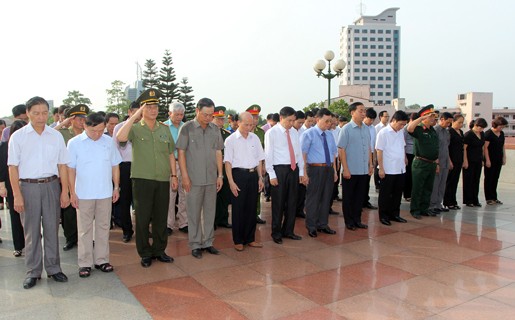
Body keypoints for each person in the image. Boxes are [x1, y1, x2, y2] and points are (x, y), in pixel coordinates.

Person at [8, 96, 70, 289]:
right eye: (36, 113)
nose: (41, 117)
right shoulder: (18, 137)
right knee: (31, 231)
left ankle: (54, 268)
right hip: (28, 187)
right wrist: (17, 195)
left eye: (44, 112)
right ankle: (33, 271)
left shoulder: (55, 135)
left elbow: (62, 166)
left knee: (52, 228)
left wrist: (65, 191)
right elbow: (12, 167)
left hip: (51, 185)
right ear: (28, 114)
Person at [116, 89, 178, 268]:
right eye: (148, 107)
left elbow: (170, 154)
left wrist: (174, 175)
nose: (153, 110)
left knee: (160, 217)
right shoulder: (134, 128)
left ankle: (159, 250)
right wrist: (135, 115)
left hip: (162, 179)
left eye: (155, 107)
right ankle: (144, 252)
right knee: (142, 217)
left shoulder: (164, 130)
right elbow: (120, 137)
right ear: (142, 109)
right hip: (142, 179)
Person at [67, 113, 121, 278]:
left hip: (104, 192)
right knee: (84, 230)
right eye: (94, 131)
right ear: (85, 126)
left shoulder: (109, 142)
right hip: (83, 193)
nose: (97, 134)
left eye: (100, 130)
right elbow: (71, 170)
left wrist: (116, 187)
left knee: (103, 227)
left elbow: (115, 166)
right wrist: (72, 192)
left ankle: (102, 260)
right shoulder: (74, 143)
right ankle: (85, 263)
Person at [176, 98, 223, 259]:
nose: (208, 118)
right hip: (193, 179)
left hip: (211, 178)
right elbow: (181, 153)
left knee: (210, 212)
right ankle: (195, 244)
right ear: (197, 111)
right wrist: (185, 177)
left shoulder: (215, 129)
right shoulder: (187, 128)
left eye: (211, 115)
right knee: (193, 213)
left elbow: (218, 152)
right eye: (205, 114)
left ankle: (208, 242)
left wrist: (220, 175)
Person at [224, 112, 265, 251]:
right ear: (238, 123)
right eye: (246, 124)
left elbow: (259, 158)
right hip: (238, 175)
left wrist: (260, 177)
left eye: (251, 124)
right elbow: (228, 162)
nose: (249, 127)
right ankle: (238, 240)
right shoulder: (230, 140)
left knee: (251, 208)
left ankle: (250, 238)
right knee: (238, 209)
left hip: (253, 175)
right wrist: (231, 181)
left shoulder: (255, 138)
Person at [265, 106, 305, 244]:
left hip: (293, 169)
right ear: (281, 118)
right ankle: (276, 232)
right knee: (278, 203)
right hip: (279, 170)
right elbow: (268, 155)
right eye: (289, 120)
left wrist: (301, 171)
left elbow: (298, 152)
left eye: (293, 120)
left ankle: (288, 230)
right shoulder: (272, 133)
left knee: (292, 202)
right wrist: (271, 174)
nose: (291, 123)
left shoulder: (294, 132)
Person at [55, 104, 90, 251]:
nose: (82, 121)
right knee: (69, 210)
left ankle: (87, 237)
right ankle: (71, 238)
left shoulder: (89, 133)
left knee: (86, 209)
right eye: (79, 118)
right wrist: (63, 123)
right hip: (67, 176)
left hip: (85, 175)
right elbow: (47, 133)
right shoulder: (62, 133)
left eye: (84, 118)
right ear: (72, 119)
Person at [301, 108, 338, 238]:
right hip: (314, 169)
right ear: (318, 119)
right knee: (313, 198)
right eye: (326, 121)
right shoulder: (308, 134)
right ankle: (311, 226)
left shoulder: (329, 134)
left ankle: (323, 224)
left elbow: (333, 153)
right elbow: (303, 154)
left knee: (326, 197)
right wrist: (304, 173)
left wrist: (334, 171)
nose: (329, 124)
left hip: (328, 169)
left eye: (330, 121)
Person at [338, 102, 372, 230]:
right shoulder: (346, 129)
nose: (364, 113)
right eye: (361, 111)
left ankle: (357, 220)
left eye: (364, 111)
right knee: (349, 198)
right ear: (352, 113)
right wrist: (345, 169)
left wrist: (371, 165)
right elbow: (341, 150)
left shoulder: (366, 128)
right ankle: (349, 221)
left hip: (363, 169)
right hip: (350, 170)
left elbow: (368, 148)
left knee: (360, 197)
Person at [376, 110, 409, 226]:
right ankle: (383, 216)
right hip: (388, 168)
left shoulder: (400, 132)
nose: (402, 127)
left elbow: (402, 146)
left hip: (400, 168)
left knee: (397, 193)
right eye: (401, 124)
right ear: (394, 120)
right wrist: (381, 168)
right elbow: (379, 150)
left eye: (404, 125)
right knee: (385, 194)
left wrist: (404, 157)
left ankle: (395, 214)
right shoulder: (383, 133)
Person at [112, 102, 139, 243]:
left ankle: (143, 230)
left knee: (142, 201)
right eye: (136, 112)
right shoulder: (119, 127)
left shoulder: (145, 127)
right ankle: (127, 231)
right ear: (130, 112)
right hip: (125, 166)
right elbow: (114, 149)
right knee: (125, 201)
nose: (139, 115)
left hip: (142, 167)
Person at [0, 120, 27, 257]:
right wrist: (2, 185)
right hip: (13, 185)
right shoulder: (5, 146)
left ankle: (30, 242)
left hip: (29, 184)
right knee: (15, 215)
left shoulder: (31, 144)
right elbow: (3, 168)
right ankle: (18, 246)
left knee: (30, 216)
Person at [406, 105, 439, 219]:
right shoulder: (419, 129)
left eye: (433, 117)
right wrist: (420, 119)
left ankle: (424, 208)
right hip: (421, 163)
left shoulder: (432, 130)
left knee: (428, 188)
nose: (433, 119)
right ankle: (415, 210)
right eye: (430, 117)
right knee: (418, 188)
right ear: (424, 117)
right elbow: (409, 129)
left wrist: (437, 163)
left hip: (432, 163)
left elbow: (436, 147)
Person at [164, 102, 188, 234]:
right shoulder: (163, 127)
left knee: (184, 193)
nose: (179, 117)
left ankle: (184, 222)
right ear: (169, 113)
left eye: (181, 114)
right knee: (170, 194)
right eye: (177, 114)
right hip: (169, 164)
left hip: (184, 163)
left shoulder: (187, 127)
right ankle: (169, 224)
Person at [212, 106, 233, 230]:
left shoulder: (227, 134)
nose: (221, 121)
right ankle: (212, 221)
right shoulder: (208, 132)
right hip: (211, 167)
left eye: (222, 119)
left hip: (224, 167)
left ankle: (223, 219)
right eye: (218, 119)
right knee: (212, 196)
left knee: (224, 195)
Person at [429, 112, 453, 214]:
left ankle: (439, 204)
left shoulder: (447, 132)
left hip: (445, 161)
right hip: (436, 162)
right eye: (447, 122)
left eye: (450, 123)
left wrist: (449, 161)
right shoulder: (435, 130)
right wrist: (436, 163)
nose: (448, 124)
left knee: (442, 184)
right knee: (435, 184)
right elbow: (433, 148)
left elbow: (446, 148)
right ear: (442, 119)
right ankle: (432, 205)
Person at [247, 104, 267, 223]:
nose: (255, 119)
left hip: (258, 166)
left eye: (257, 117)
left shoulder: (261, 132)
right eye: (253, 117)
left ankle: (256, 214)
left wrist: (264, 165)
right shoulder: (244, 132)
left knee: (258, 190)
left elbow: (263, 150)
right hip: (246, 166)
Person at [462, 118, 487, 207]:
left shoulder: (482, 134)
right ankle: (468, 200)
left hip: (478, 160)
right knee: (468, 180)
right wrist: (465, 161)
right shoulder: (468, 135)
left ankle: (475, 199)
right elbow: (464, 148)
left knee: (476, 180)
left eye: (482, 128)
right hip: (469, 160)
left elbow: (482, 147)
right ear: (475, 126)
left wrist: (483, 160)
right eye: (480, 127)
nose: (481, 130)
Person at [484, 116, 508, 205]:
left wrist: (504, 157)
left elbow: (502, 146)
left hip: (498, 158)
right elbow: (485, 148)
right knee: (489, 178)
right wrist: (487, 160)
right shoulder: (488, 134)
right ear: (496, 124)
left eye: (503, 127)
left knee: (495, 178)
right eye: (500, 126)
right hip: (490, 159)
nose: (501, 128)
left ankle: (494, 197)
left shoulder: (501, 134)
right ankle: (489, 198)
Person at [443, 114, 465, 210]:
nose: (460, 124)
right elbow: (446, 148)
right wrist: (449, 161)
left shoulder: (461, 132)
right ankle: (447, 201)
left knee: (455, 181)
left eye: (462, 123)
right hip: (451, 159)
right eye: (459, 122)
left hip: (459, 159)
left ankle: (453, 201)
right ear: (453, 122)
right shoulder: (449, 132)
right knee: (449, 182)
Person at [362, 108, 378, 210]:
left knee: (367, 180)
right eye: (370, 119)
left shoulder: (373, 129)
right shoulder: (361, 127)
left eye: (373, 120)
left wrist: (373, 159)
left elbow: (374, 144)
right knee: (360, 180)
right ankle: (358, 201)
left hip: (371, 154)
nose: (371, 121)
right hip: (361, 155)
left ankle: (365, 200)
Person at [293, 110, 307, 219]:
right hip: (290, 165)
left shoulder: (304, 132)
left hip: (301, 163)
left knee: (302, 189)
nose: (301, 125)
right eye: (299, 122)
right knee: (291, 191)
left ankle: (299, 209)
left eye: (303, 122)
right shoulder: (288, 132)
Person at [403, 113, 418, 201]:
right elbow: (403, 143)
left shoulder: (418, 128)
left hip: (416, 153)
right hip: (408, 153)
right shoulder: (406, 128)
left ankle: (413, 193)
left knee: (414, 175)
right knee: (408, 175)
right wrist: (404, 156)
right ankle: (407, 194)